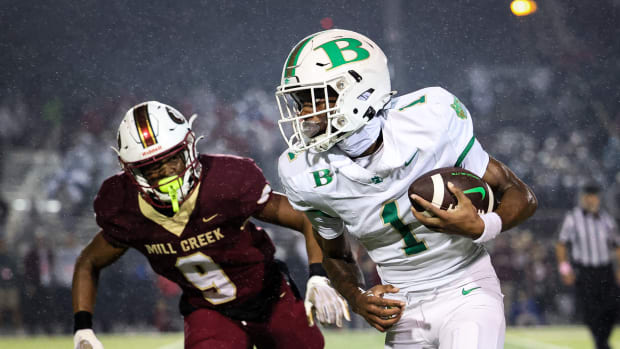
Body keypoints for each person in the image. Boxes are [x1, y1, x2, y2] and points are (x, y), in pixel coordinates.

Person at [275, 29, 537, 349]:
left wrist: (485, 225)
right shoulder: (303, 171)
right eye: (300, 102)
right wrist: (357, 298)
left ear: (358, 91)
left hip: (466, 289)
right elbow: (336, 254)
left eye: (313, 99)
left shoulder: (430, 117)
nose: (304, 115)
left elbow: (517, 193)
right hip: (402, 307)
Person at [72, 101, 349, 349]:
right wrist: (82, 329)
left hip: (270, 297)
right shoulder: (124, 207)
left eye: (172, 161)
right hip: (209, 311)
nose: (167, 175)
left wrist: (318, 275)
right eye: (152, 169)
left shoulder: (226, 181)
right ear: (131, 171)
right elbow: (88, 262)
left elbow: (307, 215)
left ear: (190, 148)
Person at [555, 183, 620, 349]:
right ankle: (601, 343)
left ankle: (601, 341)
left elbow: (616, 245)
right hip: (585, 271)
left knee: (611, 308)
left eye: (593, 196)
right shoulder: (573, 218)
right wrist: (565, 269)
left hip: (605, 270)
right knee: (591, 311)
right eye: (588, 196)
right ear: (583, 198)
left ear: (598, 198)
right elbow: (561, 244)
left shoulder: (606, 219)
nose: (591, 200)